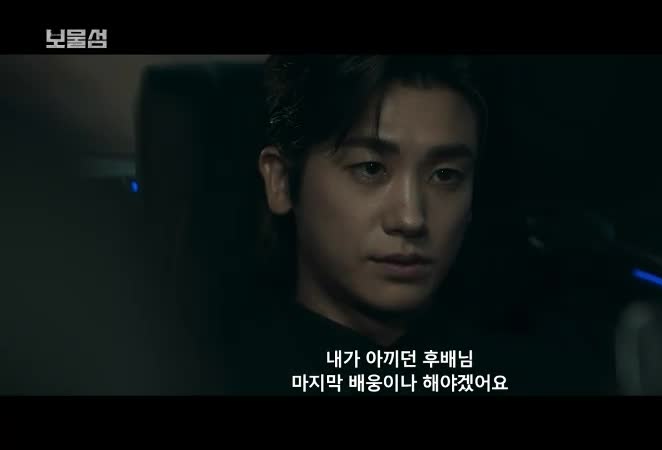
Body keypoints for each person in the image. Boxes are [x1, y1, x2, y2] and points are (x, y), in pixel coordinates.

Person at [225, 55, 593, 396]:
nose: (411, 218)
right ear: (281, 181)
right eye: (371, 169)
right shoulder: (219, 373)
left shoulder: (541, 372)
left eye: (445, 175)